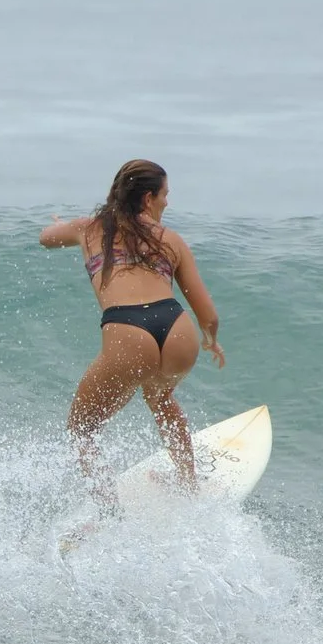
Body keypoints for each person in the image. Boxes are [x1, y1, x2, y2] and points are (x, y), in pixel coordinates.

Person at [39, 158, 225, 489]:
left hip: (128, 329)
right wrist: (211, 340)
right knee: (162, 398)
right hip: (177, 327)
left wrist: (65, 226)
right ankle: (188, 484)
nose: (167, 202)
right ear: (147, 198)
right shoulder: (172, 239)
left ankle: (108, 513)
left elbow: (45, 238)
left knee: (82, 429)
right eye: (164, 194)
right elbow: (208, 314)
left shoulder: (89, 228)